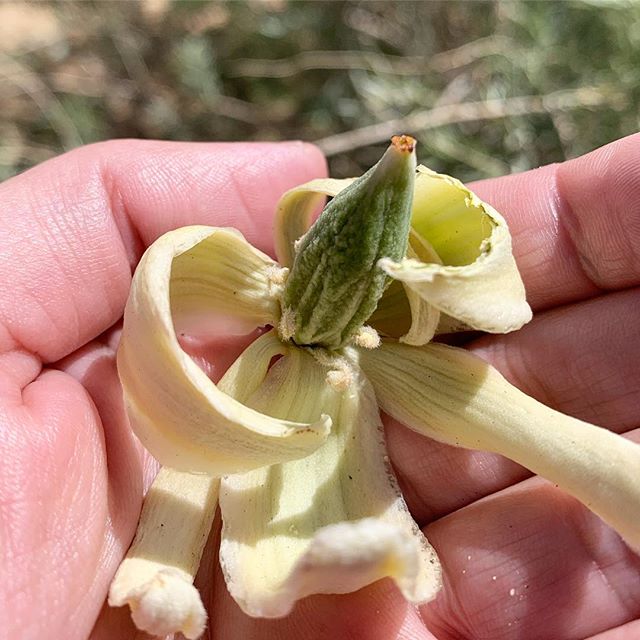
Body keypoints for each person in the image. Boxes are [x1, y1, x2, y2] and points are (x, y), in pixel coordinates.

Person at [0, 137, 638, 640]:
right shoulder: (181, 276)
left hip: (366, 383)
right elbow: (188, 459)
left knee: (560, 445)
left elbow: (543, 430)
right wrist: (158, 566)